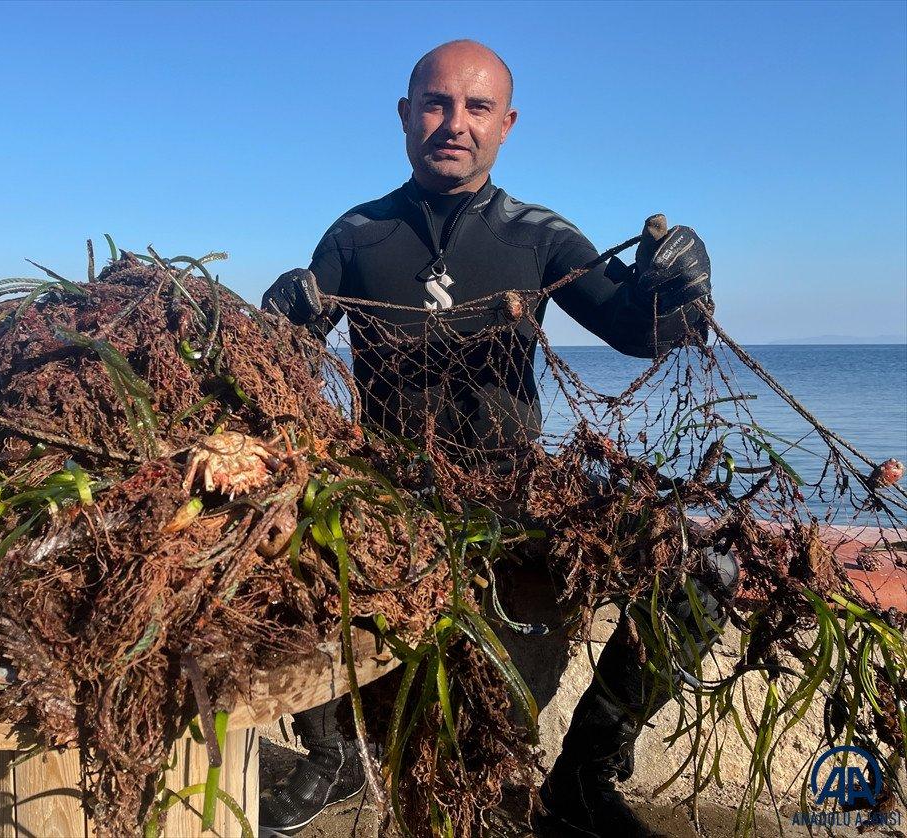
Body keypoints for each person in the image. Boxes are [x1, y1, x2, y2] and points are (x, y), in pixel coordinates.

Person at [259, 40, 734, 838]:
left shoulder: (539, 235)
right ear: (406, 116)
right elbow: (285, 366)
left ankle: (583, 776)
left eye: (476, 107)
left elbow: (639, 332)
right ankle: (332, 753)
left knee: (707, 567)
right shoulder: (355, 234)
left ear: (506, 124)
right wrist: (281, 320)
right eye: (436, 104)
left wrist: (679, 285)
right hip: (384, 493)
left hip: (517, 493)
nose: (455, 123)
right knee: (264, 533)